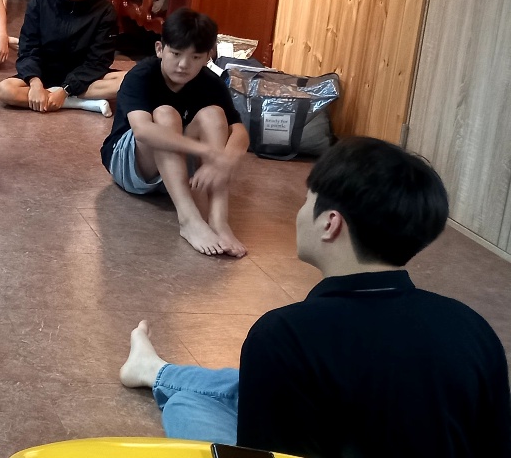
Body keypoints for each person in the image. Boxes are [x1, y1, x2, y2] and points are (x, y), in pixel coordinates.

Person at [119, 137, 511, 457]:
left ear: (330, 223)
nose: (300, 211)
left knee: (189, 403)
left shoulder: (285, 335)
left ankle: (160, 377)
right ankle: (154, 370)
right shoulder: (470, 327)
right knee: (254, 382)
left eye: (307, 199)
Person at [102, 8, 250, 257]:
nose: (183, 65)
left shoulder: (210, 83)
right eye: (176, 54)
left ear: (208, 57)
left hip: (178, 168)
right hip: (131, 166)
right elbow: (142, 131)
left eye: (195, 57)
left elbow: (240, 131)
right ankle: (189, 219)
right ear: (160, 49)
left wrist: (225, 159)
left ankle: (219, 220)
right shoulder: (141, 75)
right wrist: (207, 151)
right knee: (165, 114)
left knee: (214, 114)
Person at [0, 0, 124, 116]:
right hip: (44, 74)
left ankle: (59, 98)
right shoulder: (41, 1)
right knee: (5, 90)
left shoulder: (105, 11)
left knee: (130, 80)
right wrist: (35, 83)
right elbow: (28, 48)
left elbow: (99, 61)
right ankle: (80, 103)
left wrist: (66, 89)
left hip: (84, 79)